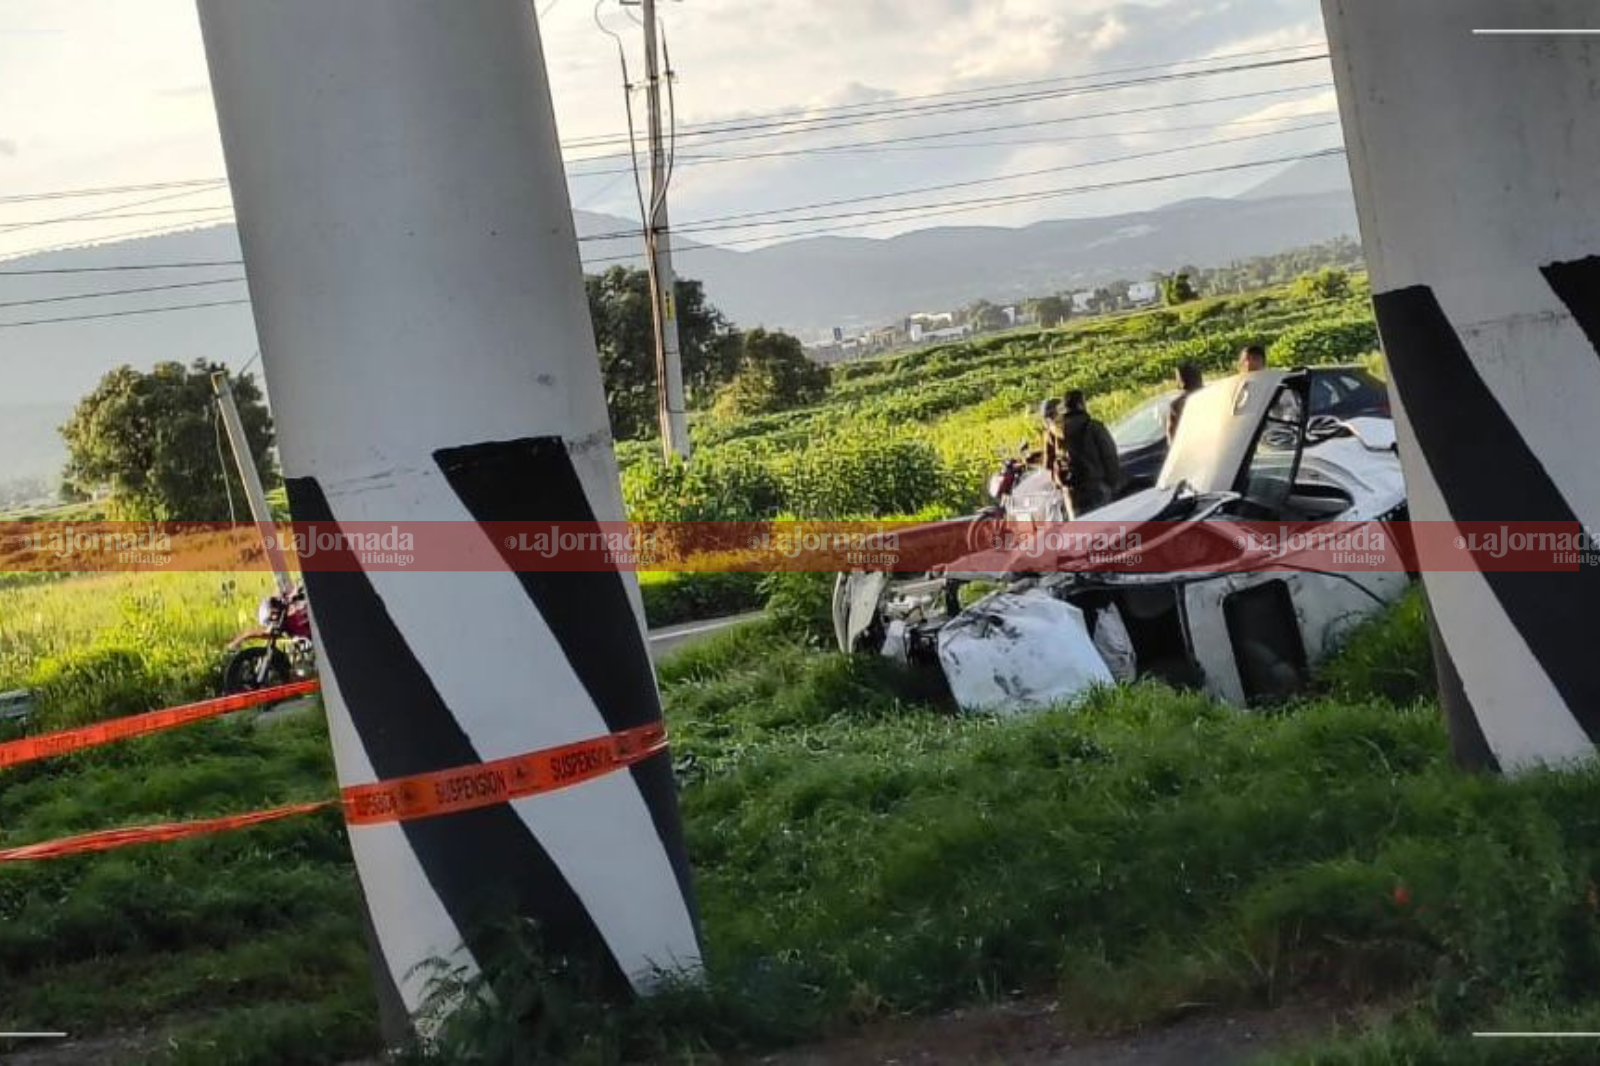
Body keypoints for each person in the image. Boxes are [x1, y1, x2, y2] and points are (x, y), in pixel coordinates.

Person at [1059, 389, 1121, 514]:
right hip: (1097, 487)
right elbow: (1109, 456)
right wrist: (1114, 484)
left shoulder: (1059, 432)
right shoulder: (1093, 427)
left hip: (1074, 491)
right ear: (1080, 404)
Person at [1166, 362, 1203, 443]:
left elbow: (1172, 436)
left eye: (1177, 378)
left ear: (1182, 380)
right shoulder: (1214, 395)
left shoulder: (1177, 405)